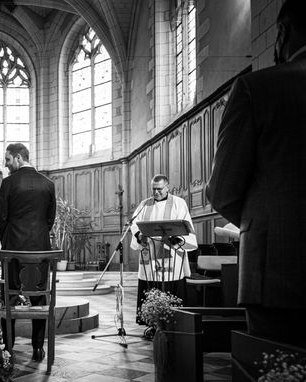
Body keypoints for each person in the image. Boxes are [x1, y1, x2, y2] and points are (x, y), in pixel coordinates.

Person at [207, 0, 306, 347]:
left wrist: (259, 220)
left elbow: (222, 190)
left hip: (276, 269)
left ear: (283, 31)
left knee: (277, 379)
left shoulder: (257, 89)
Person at [0, 143, 56, 361]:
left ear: (19, 158)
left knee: (9, 297)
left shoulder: (8, 183)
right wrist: (38, 239)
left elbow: (1, 218)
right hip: (41, 250)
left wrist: (7, 241)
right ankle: (38, 348)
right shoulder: (48, 184)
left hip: (12, 250)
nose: (6, 164)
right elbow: (50, 218)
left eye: (8, 159)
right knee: (40, 298)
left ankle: (7, 347)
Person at [130, 174, 197, 327]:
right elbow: (134, 225)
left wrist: (176, 238)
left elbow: (186, 226)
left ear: (167, 187)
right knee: (150, 284)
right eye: (153, 189)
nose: (156, 192)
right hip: (150, 252)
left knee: (171, 284)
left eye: (159, 189)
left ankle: (173, 322)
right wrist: (139, 234)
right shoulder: (144, 204)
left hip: (171, 253)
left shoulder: (179, 203)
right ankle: (151, 322)